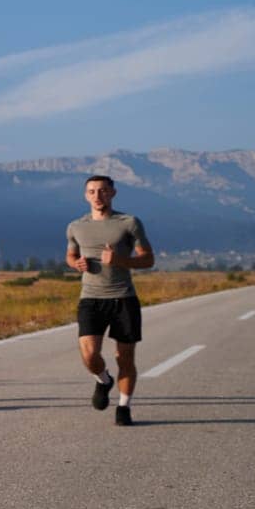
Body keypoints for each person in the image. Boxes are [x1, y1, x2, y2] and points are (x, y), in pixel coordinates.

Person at [66, 174, 154, 426]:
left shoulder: (129, 223)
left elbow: (148, 259)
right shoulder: (75, 226)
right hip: (91, 299)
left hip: (123, 298)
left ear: (113, 193)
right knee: (90, 354)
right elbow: (70, 256)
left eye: (103, 191)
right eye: (92, 191)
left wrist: (119, 261)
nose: (98, 196)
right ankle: (104, 380)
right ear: (85, 195)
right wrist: (77, 264)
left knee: (124, 358)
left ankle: (124, 406)